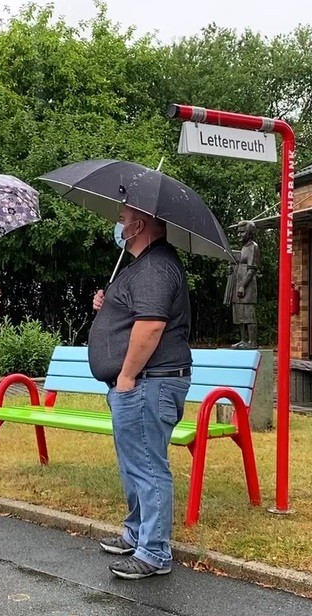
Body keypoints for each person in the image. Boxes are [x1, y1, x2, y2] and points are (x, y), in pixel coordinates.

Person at [88, 205, 192, 580]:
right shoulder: (143, 267)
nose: (118, 225)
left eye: (122, 219)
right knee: (135, 463)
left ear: (140, 225)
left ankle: (154, 552)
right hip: (143, 381)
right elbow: (132, 312)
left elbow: (150, 326)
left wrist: (128, 376)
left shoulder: (154, 267)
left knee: (148, 466)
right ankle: (136, 534)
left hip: (149, 380)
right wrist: (107, 304)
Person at [224, 220, 261, 349]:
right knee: (240, 315)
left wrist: (243, 286)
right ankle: (243, 340)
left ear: (250, 233)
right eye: (238, 233)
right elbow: (239, 264)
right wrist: (231, 269)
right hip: (238, 283)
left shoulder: (253, 247)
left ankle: (252, 341)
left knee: (249, 314)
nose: (239, 235)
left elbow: (252, 269)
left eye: (242, 232)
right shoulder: (243, 248)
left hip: (247, 286)